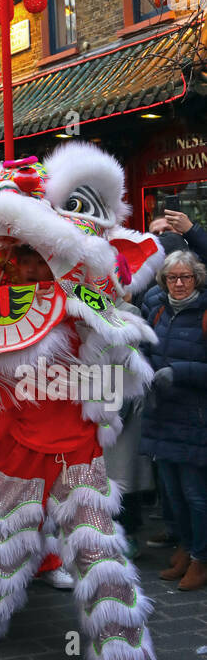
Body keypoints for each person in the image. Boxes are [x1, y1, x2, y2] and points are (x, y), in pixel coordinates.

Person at [139, 249, 207, 591]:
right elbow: (150, 352)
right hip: (163, 415)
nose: (179, 284)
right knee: (172, 493)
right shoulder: (160, 310)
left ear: (197, 278)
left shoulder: (204, 312)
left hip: (195, 418)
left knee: (196, 494)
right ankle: (184, 545)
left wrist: (179, 372)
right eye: (172, 278)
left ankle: (201, 558)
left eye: (186, 277)